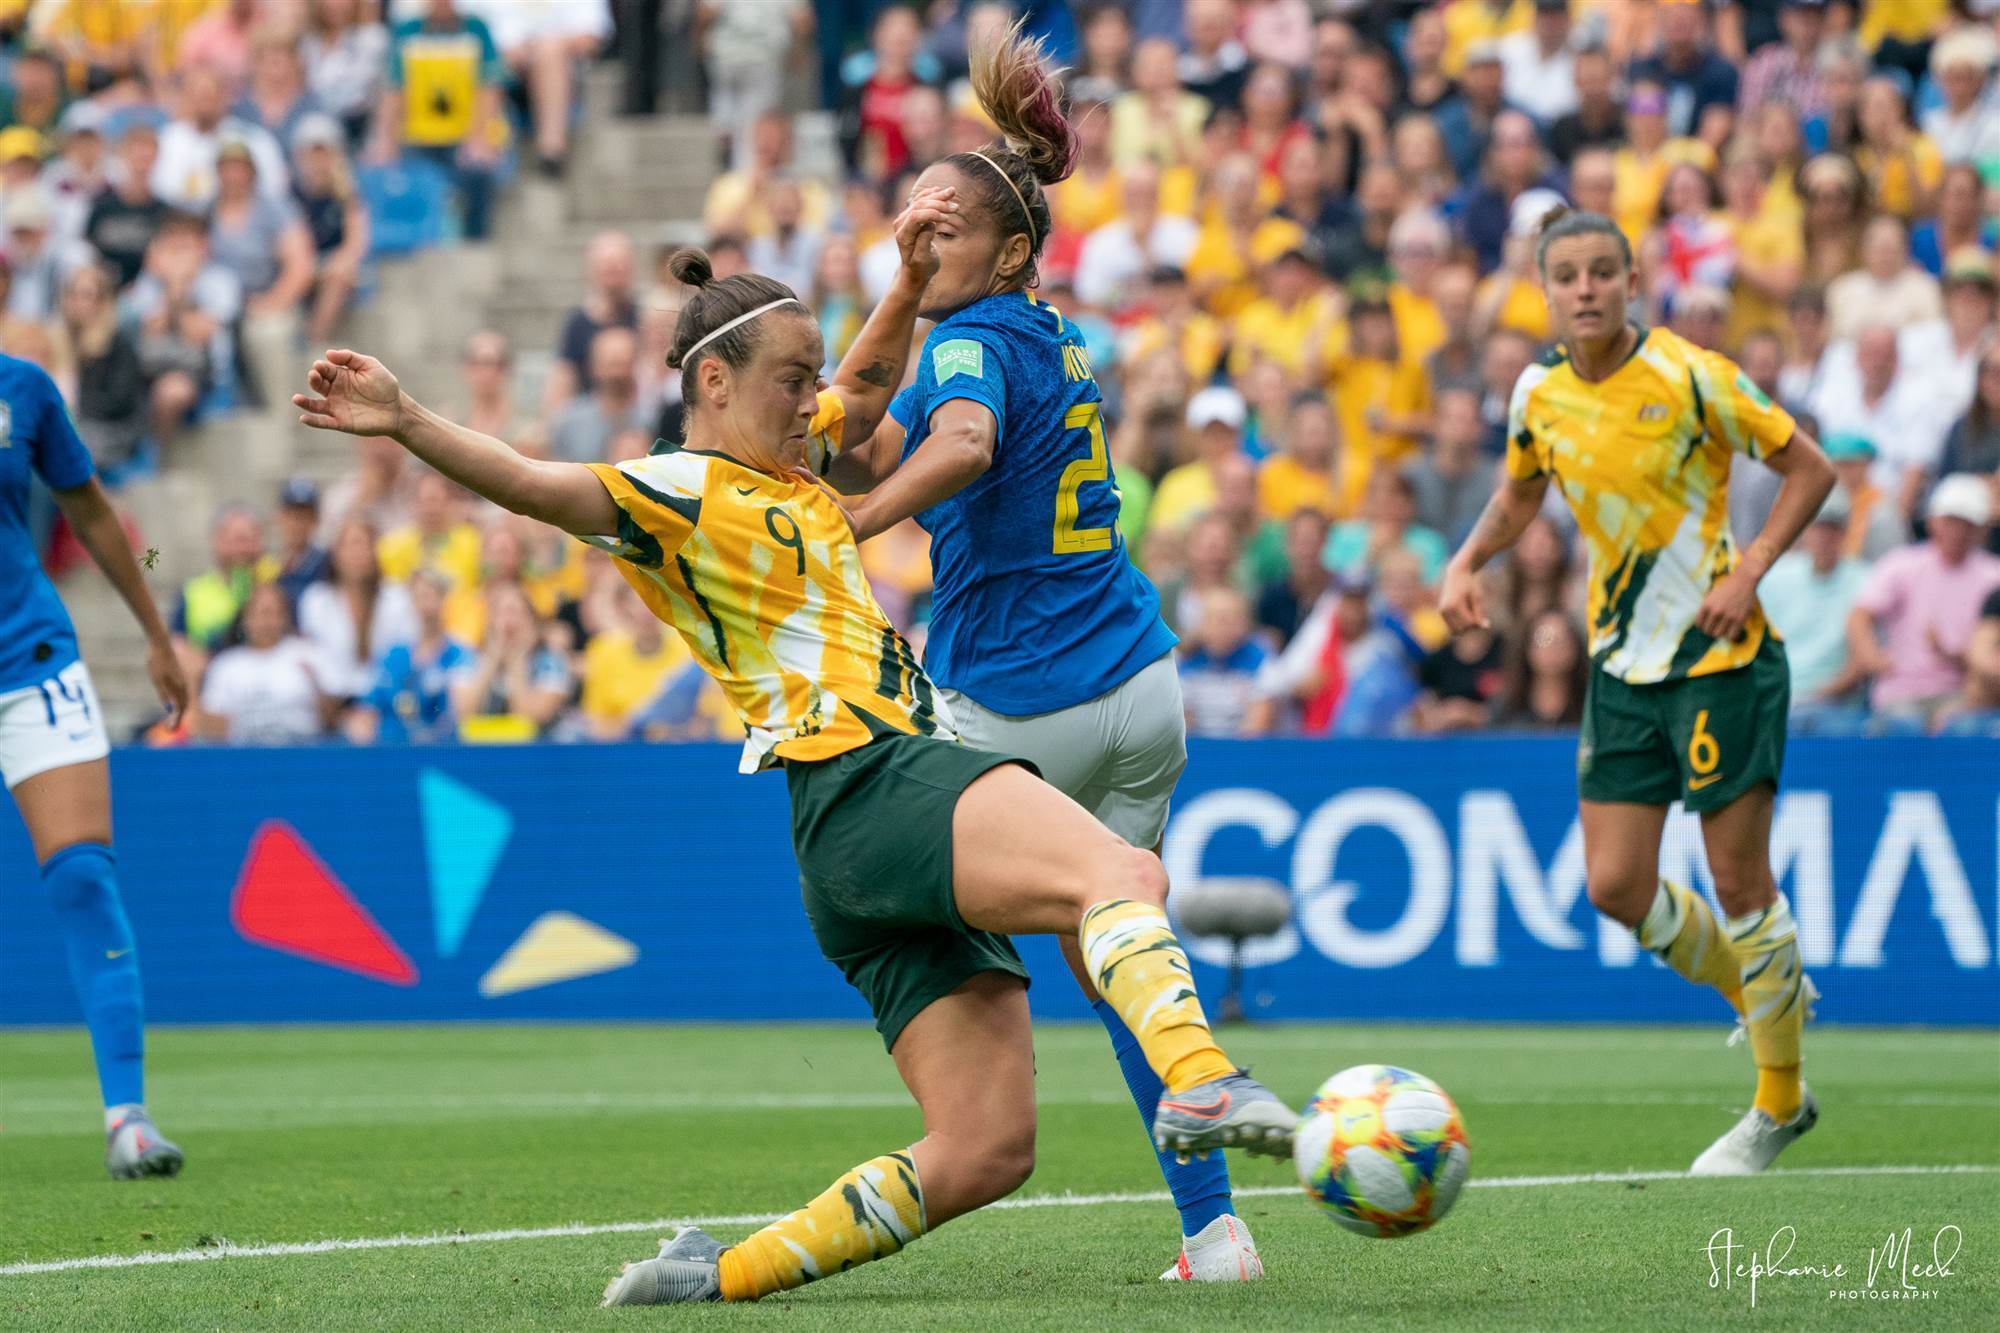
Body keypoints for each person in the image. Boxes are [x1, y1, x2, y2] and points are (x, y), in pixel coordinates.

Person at [293, 227, 1290, 1308]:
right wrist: (406, 420)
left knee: (984, 1150)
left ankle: (713, 1276)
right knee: (1124, 876)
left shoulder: (791, 461)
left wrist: (906, 284)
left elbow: (862, 386)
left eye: (812, 376)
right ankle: (1200, 1082)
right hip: (869, 777)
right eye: (789, 381)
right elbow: (539, 486)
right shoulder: (674, 491)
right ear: (711, 382)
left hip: (851, 852)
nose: (816, 403)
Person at [812, 28, 1269, 1279]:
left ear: (1008, 248)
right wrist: (903, 288)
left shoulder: (965, 348)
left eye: (944, 224)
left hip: (1013, 703)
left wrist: (856, 520)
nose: (920, 232)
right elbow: (859, 432)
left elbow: (934, 449)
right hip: (1138, 682)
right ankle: (1214, 1226)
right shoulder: (1045, 332)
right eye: (911, 213)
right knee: (1117, 946)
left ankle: (959, 1136)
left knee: (875, 887)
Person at [1438, 206, 1836, 1175]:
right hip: (1618, 666)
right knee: (1613, 884)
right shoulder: (1535, 393)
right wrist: (1466, 562)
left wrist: (1749, 572)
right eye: (1565, 274)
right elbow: (1521, 489)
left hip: (1718, 659)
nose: (1583, 288)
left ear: (1630, 281)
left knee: (1738, 883)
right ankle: (1759, 995)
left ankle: (1777, 1103)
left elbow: (1808, 468)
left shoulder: (1691, 375)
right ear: (1544, 289)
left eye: (1600, 272)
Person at [0, 348, 190, 1178]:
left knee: (82, 876)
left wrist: (155, 628)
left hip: (27, 656)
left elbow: (103, 518)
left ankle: (129, 1117)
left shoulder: (25, 388)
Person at [1845, 474, 2000, 723]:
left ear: (1982, 529)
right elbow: (1860, 616)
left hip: (1964, 695)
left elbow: (1989, 654)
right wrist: (1872, 658)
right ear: (1933, 522)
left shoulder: (1994, 576)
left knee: (1962, 726)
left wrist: (1958, 657)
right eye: (1951, 521)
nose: (1958, 531)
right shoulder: (1901, 564)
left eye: (1967, 523)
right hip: (1900, 691)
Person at [198, 581, 330, 744]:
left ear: (286, 617)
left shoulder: (308, 655)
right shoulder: (225, 665)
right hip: (245, 759)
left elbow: (331, 719)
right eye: (261, 613)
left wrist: (317, 686)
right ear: (245, 618)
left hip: (302, 754)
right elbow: (213, 728)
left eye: (275, 613)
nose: (268, 621)